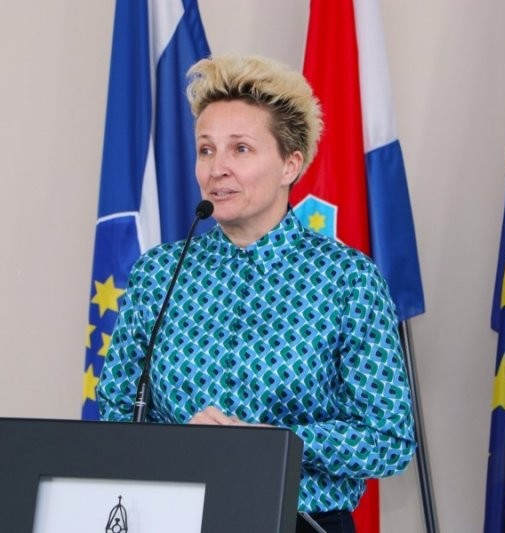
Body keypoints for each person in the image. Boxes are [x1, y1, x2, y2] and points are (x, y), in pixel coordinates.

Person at [97, 54, 415, 533]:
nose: (217, 168)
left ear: (290, 164)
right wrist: (179, 442)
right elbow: (117, 409)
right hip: (176, 518)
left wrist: (277, 442)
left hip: (302, 522)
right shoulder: (159, 273)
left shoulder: (347, 278)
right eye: (206, 150)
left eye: (240, 149)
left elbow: (389, 438)